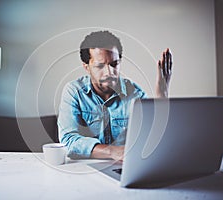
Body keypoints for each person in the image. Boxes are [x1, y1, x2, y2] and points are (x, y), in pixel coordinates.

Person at [57, 30, 172, 161]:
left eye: (114, 64)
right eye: (100, 66)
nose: (109, 72)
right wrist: (112, 152)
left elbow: (154, 139)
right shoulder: (74, 92)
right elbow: (68, 140)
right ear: (86, 67)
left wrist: (162, 95)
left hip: (124, 168)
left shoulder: (135, 94)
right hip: (84, 169)